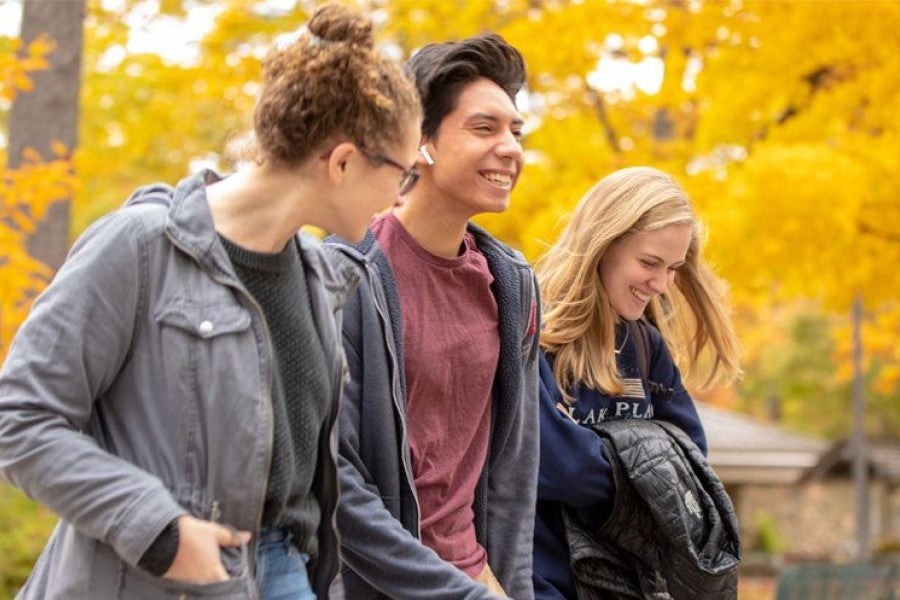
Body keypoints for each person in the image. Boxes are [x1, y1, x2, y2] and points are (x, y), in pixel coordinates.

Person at [0, 4, 421, 599]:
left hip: (285, 573)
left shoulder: (320, 278)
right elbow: (20, 418)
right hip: (155, 576)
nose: (401, 197)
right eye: (403, 174)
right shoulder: (140, 247)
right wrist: (160, 528)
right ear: (343, 162)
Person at [326, 33, 540, 599]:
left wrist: (506, 588)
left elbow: (515, 473)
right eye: (484, 128)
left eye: (515, 132)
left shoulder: (513, 285)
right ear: (422, 141)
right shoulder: (346, 275)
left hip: (476, 578)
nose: (510, 148)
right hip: (377, 584)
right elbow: (336, 479)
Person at [532, 166, 742, 599]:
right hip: (542, 581)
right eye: (649, 263)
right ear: (602, 244)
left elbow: (688, 465)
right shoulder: (533, 334)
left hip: (631, 586)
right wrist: (643, 462)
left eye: (673, 268)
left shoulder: (648, 347)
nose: (661, 284)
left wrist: (602, 457)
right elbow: (552, 465)